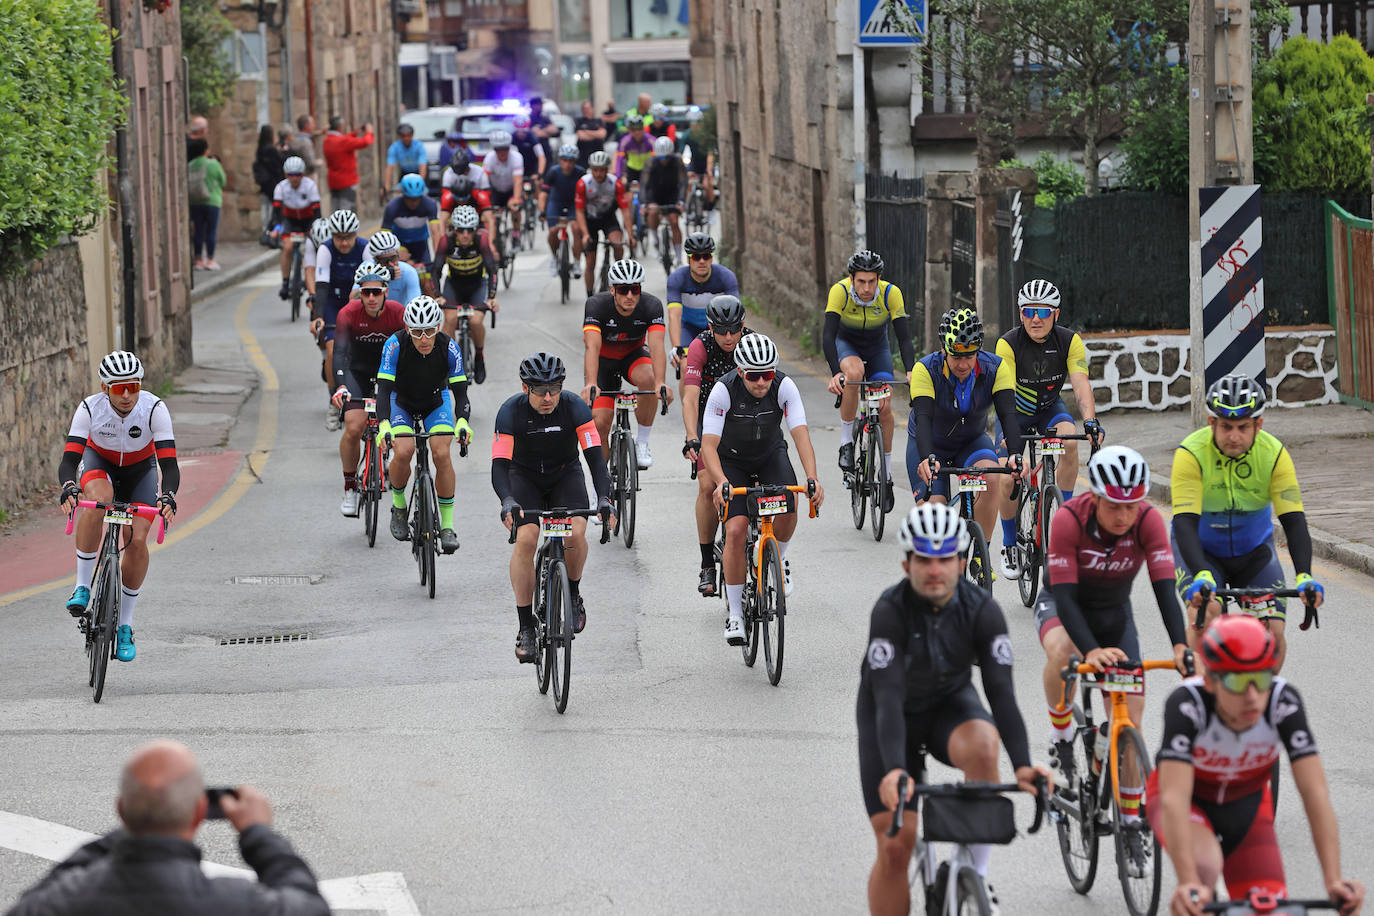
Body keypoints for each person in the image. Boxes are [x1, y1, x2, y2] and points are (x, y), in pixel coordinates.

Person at [857, 502, 1053, 916]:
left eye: (945, 558)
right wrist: (895, 768)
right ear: (906, 562)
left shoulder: (982, 610)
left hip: (948, 705)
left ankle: (974, 876)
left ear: (962, 561)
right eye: (924, 559)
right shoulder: (889, 611)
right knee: (896, 846)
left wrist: (1022, 764)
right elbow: (888, 697)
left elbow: (1001, 695)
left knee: (985, 745)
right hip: (890, 720)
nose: (934, 570)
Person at [1036, 446, 1190, 867]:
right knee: (1064, 653)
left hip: (1114, 617)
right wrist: (1091, 652)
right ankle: (1062, 733)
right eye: (1114, 506)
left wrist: (1180, 645)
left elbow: (1163, 588)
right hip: (1064, 606)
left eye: (1132, 505)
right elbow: (1065, 597)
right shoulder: (1069, 519)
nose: (1124, 516)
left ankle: (1131, 820)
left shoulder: (1148, 521)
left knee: (1130, 723)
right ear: (1096, 497)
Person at [1153, 615, 1364, 916]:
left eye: (1262, 678)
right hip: (1188, 803)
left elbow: (1315, 794)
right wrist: (1187, 883)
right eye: (1238, 681)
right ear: (1211, 681)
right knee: (1204, 871)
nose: (1252, 696)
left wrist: (1333, 880)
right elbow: (1174, 799)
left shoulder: (1282, 701)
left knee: (1272, 909)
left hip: (1247, 806)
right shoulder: (1188, 704)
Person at [6, 739, 329, 916]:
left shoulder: (62, 901)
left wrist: (140, 820)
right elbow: (311, 907)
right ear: (199, 810)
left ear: (121, 810)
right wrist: (258, 833)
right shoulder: (239, 902)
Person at [1171, 373, 1322, 673]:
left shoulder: (1275, 455)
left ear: (1258, 425)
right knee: (1205, 615)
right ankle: (1202, 705)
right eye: (1226, 427)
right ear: (1212, 423)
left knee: (1272, 641)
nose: (1234, 437)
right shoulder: (1190, 454)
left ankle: (1258, 711)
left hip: (1254, 554)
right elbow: (1185, 523)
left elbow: (1293, 521)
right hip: (1202, 554)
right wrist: (1201, 572)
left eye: (1243, 427)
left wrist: (1304, 575)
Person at [701, 332, 825, 643]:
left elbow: (800, 433)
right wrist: (721, 482)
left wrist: (812, 477)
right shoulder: (722, 391)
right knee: (736, 529)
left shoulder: (784, 386)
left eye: (767, 374)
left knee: (790, 504)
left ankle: (778, 556)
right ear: (741, 372)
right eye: (754, 376)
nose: (761, 382)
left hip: (770, 454)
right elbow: (708, 445)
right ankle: (734, 615)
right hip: (732, 463)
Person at [494, 353, 616, 663]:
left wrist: (604, 498)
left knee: (576, 534)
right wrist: (507, 500)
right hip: (524, 479)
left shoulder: (575, 406)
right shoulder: (510, 412)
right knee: (526, 540)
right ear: (526, 388)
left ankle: (572, 593)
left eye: (555, 389)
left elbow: (594, 458)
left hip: (565, 475)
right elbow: (499, 466)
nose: (549, 398)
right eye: (540, 391)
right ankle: (525, 628)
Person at [58, 351, 179, 664]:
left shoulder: (154, 408)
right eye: (118, 388)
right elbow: (70, 459)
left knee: (137, 541)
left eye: (133, 387)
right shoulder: (89, 408)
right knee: (98, 501)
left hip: (140, 471)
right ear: (104, 388)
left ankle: (125, 624)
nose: (126, 395)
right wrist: (69, 486)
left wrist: (167, 496)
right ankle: (83, 586)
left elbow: (169, 464)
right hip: (101, 465)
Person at [994, 279, 1103, 579]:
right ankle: (1008, 544)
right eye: (1029, 312)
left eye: (1043, 311)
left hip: (1049, 411)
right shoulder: (1008, 343)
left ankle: (1063, 517)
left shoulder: (1070, 341)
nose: (1036, 319)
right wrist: (1011, 440)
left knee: (1070, 442)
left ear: (1056, 313)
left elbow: (1080, 383)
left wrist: (1091, 421)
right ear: (1020, 314)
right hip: (1014, 412)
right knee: (1010, 471)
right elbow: (1004, 394)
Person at [909, 307, 1025, 549]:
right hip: (932, 445)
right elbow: (923, 418)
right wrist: (926, 458)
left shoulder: (996, 367)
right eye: (955, 357)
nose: (963, 364)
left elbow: (1008, 415)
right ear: (944, 349)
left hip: (972, 441)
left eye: (969, 356)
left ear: (978, 349)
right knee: (936, 522)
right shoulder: (925, 369)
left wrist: (1015, 454)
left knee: (992, 477)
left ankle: (980, 556)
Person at [375, 296, 472, 553]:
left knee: (441, 453)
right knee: (404, 451)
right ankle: (398, 506)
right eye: (417, 332)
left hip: (434, 401)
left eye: (430, 330)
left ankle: (447, 526)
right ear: (407, 329)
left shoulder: (449, 347)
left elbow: (461, 393)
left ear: (438, 327)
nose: (424, 338)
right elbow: (383, 391)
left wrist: (463, 422)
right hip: (401, 401)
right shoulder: (394, 345)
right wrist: (384, 424)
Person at [824, 249, 914, 514]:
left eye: (871, 281)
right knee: (853, 374)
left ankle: (885, 475)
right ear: (852, 279)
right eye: (861, 281)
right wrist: (834, 373)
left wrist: (909, 371)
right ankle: (846, 442)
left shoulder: (890, 293)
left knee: (884, 406)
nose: (866, 288)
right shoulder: (839, 292)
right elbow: (828, 336)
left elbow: (904, 338)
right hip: (846, 343)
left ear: (879, 279)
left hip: (878, 349)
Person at [682, 295, 751, 597]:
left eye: (733, 330)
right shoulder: (700, 346)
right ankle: (707, 561)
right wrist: (690, 436)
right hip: (708, 421)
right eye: (721, 330)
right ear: (710, 327)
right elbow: (689, 396)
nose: (728, 337)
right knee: (707, 483)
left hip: (743, 420)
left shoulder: (752, 345)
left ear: (742, 326)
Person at [331, 261, 407, 517]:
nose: (371, 297)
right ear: (359, 293)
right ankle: (350, 488)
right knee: (354, 426)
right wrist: (341, 385)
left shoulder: (398, 313)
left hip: (390, 374)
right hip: (357, 373)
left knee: (399, 430)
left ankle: (391, 475)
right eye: (366, 292)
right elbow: (339, 353)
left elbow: (408, 354)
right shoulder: (349, 313)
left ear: (386, 291)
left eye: (376, 291)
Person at [581, 258, 672, 469]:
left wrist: (660, 383)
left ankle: (642, 442)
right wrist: (591, 383)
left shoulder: (652, 306)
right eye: (623, 290)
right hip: (604, 361)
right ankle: (600, 485)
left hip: (633, 355)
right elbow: (592, 347)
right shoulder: (596, 305)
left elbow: (657, 346)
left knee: (649, 379)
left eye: (635, 289)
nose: (630, 295)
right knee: (600, 424)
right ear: (612, 290)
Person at [431, 205, 498, 382]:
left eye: (469, 230)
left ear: (475, 230)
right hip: (454, 285)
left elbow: (492, 270)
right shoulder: (446, 241)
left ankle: (479, 357)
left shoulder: (481, 241)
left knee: (476, 321)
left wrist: (491, 297)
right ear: (455, 230)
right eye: (461, 230)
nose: (465, 234)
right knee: (450, 319)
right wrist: (438, 295)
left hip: (477, 285)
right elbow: (435, 271)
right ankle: (450, 363)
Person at [666, 233, 738, 379]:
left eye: (706, 256)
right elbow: (674, 316)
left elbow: (736, 314)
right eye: (696, 257)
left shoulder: (726, 277)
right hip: (689, 328)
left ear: (711, 258)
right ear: (688, 259)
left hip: (718, 329)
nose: (702, 261)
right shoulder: (677, 279)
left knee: (731, 368)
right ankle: (688, 402)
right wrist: (676, 347)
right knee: (686, 366)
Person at [574, 149, 634, 295]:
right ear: (591, 169)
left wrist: (630, 235)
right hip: (590, 221)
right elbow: (579, 212)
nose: (599, 174)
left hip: (608, 218)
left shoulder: (615, 183)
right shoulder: (583, 183)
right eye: (595, 170)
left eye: (602, 170)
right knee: (590, 261)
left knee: (618, 244)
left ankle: (618, 276)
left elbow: (625, 210)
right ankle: (590, 296)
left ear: (607, 169)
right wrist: (585, 234)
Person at [270, 156, 322, 300]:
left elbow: (317, 211)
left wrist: (315, 229)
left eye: (298, 174)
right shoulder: (281, 187)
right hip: (290, 220)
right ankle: (285, 283)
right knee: (287, 247)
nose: (294, 178)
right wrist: (277, 228)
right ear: (286, 175)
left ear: (303, 174)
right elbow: (276, 212)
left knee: (310, 248)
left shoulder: (310, 185)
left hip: (308, 220)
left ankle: (309, 277)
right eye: (290, 175)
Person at [382, 173, 442, 286]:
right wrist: (396, 251)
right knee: (401, 278)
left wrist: (439, 257)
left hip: (421, 244)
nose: (414, 203)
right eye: (410, 199)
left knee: (429, 280)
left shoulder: (429, 204)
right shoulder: (392, 207)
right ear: (403, 195)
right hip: (400, 244)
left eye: (417, 199)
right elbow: (383, 238)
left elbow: (436, 233)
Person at [539, 145, 587, 279]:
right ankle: (554, 257)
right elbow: (544, 194)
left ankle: (577, 262)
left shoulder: (580, 172)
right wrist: (542, 211)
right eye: (564, 160)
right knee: (553, 231)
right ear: (560, 160)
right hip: (556, 202)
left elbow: (586, 195)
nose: (567, 164)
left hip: (573, 203)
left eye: (571, 160)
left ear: (575, 161)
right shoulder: (553, 172)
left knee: (576, 229)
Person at [642, 135, 687, 266]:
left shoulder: (677, 161)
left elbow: (683, 182)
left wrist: (681, 201)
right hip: (655, 194)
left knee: (674, 221)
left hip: (672, 193)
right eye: (662, 158)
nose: (664, 160)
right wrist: (645, 203)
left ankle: (679, 256)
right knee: (653, 212)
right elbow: (644, 184)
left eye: (667, 157)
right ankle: (654, 237)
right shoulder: (651, 162)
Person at [186, 138, 226, 271]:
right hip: (212, 200)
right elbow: (223, 180)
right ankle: (210, 259)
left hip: (195, 201)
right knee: (211, 231)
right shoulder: (213, 164)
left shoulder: (190, 165)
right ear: (205, 150)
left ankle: (198, 260)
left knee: (198, 231)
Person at [321, 115, 374, 213]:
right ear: (340, 127)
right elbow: (365, 142)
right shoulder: (343, 142)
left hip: (333, 181)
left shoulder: (327, 140)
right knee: (347, 212)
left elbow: (342, 140)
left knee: (335, 211)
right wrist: (369, 132)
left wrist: (354, 133)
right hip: (346, 182)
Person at [482, 130, 525, 243]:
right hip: (496, 190)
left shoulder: (516, 157)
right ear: (494, 149)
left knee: (515, 209)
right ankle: (494, 237)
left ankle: (516, 233)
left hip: (512, 189)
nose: (502, 153)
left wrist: (516, 199)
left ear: (509, 147)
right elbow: (484, 180)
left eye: (505, 149)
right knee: (490, 213)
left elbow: (518, 182)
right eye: (498, 149)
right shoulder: (489, 158)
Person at [359, 230, 422, 307]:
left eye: (393, 258)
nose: (391, 264)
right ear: (375, 260)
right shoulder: (366, 268)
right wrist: (379, 277)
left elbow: (415, 304)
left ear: (398, 255)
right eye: (384, 261)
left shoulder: (409, 272)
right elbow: (352, 299)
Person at [253, 125, 288, 246]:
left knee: (270, 210)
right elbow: (278, 164)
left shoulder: (260, 149)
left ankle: (268, 232)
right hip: (274, 183)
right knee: (277, 212)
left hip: (266, 184)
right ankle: (273, 233)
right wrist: (282, 152)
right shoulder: (270, 150)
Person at [680, 107, 715, 209]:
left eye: (696, 123)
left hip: (706, 163)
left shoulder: (706, 135)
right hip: (694, 163)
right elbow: (680, 151)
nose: (694, 126)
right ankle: (688, 207)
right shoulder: (687, 134)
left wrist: (709, 170)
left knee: (706, 185)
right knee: (688, 183)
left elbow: (710, 153)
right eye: (692, 123)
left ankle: (710, 208)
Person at [383, 123, 427, 198]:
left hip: (418, 173)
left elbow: (422, 166)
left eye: (408, 135)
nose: (406, 138)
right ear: (400, 136)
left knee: (423, 193)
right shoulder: (394, 148)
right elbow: (389, 168)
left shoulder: (419, 146)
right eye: (403, 136)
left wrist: (420, 182)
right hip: (405, 173)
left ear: (412, 135)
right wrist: (386, 186)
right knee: (400, 193)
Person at [615, 116, 655, 187]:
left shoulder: (651, 140)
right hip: (631, 170)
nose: (637, 132)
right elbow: (619, 160)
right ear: (629, 129)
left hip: (646, 169)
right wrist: (619, 177)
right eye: (633, 129)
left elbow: (655, 159)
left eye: (639, 128)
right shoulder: (625, 141)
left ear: (643, 128)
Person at [527, 96, 562, 164]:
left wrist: (541, 131)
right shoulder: (528, 119)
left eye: (541, 104)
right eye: (538, 104)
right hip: (532, 153)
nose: (540, 106)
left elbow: (555, 130)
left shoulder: (545, 118)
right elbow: (535, 134)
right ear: (532, 106)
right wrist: (547, 131)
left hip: (546, 151)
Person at [574, 99, 607, 166]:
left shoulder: (598, 121)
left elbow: (602, 134)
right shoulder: (579, 121)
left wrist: (586, 131)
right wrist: (596, 134)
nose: (586, 110)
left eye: (588, 108)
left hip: (598, 155)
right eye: (584, 108)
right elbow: (581, 136)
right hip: (583, 157)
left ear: (592, 109)